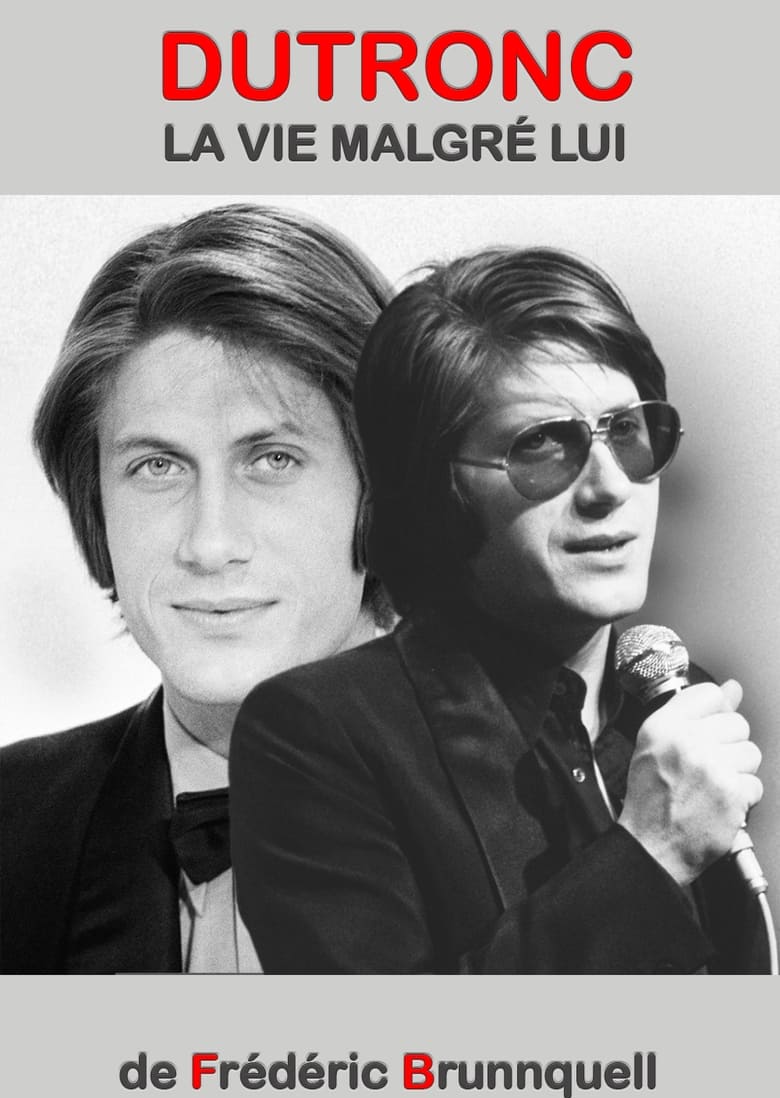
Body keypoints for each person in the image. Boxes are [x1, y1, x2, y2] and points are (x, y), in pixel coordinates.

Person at [230, 245, 766, 974]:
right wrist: (652, 852)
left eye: (628, 432)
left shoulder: (678, 704)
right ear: (435, 492)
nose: (610, 488)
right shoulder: (317, 733)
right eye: (543, 444)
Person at [0, 203, 392, 974]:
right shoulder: (12, 834)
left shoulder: (591, 825)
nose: (210, 544)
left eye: (272, 460)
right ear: (96, 508)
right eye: (157, 467)